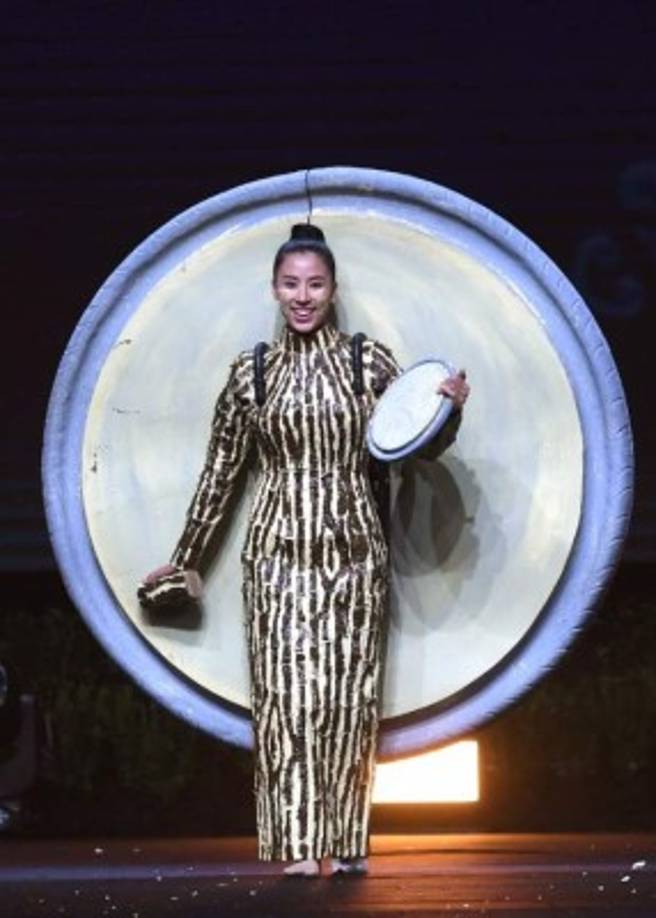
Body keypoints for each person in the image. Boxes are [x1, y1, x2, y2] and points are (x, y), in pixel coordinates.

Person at [142, 224, 469, 877]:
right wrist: (186, 562)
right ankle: (296, 843)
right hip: (276, 551)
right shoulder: (250, 373)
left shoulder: (365, 361)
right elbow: (221, 473)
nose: (302, 295)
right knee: (288, 696)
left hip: (353, 547)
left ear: (333, 290)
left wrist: (449, 410)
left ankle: (345, 843)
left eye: (314, 284)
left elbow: (416, 442)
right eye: (291, 283)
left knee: (349, 694)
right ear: (274, 289)